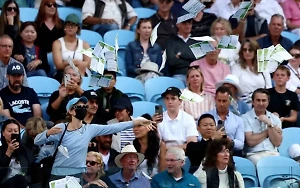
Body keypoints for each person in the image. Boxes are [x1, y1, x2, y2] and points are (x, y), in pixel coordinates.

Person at [34, 96, 154, 179]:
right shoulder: (61, 128)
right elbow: (37, 141)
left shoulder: (89, 129)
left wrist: (136, 122)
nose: (82, 109)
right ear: (70, 111)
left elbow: (115, 128)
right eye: (78, 107)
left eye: (84, 107)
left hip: (77, 176)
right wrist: (48, 133)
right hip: (57, 174)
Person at [242, 88, 282, 165]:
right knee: (261, 164)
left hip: (273, 153)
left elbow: (277, 142)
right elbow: (250, 141)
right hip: (254, 154)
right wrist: (269, 131)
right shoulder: (244, 118)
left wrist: (269, 124)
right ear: (253, 102)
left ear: (268, 102)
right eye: (258, 100)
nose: (261, 103)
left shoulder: (275, 119)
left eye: (263, 100)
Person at [0, 62, 41, 128]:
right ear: (8, 77)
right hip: (15, 129)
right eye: (14, 76)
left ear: (23, 76)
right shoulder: (2, 94)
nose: (16, 79)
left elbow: (37, 114)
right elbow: (8, 118)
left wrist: (33, 129)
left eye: (19, 76)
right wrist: (24, 130)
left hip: (33, 128)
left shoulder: (30, 92)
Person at [206, 86, 245, 156]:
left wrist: (231, 142)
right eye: (219, 100)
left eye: (224, 101)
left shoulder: (238, 120)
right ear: (215, 99)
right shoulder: (206, 117)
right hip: (209, 152)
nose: (221, 104)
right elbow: (199, 138)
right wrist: (212, 138)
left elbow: (241, 143)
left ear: (230, 100)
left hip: (231, 153)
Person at [232, 39, 272, 106]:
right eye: (245, 50)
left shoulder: (263, 66)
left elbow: (269, 87)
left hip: (262, 102)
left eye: (250, 50)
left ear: (255, 52)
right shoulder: (236, 67)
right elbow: (233, 88)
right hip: (243, 103)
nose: (247, 52)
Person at [52, 13, 91, 81]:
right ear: (64, 27)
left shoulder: (85, 44)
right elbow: (59, 66)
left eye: (73, 25)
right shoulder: (57, 43)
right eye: (68, 25)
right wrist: (75, 63)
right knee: (69, 76)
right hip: (63, 73)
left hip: (81, 73)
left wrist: (71, 62)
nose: (70, 27)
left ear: (77, 28)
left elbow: (89, 64)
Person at [0, 119, 34, 188]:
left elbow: (31, 170)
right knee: (19, 178)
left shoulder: (25, 150)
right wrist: (8, 153)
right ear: (3, 133)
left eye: (15, 131)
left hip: (23, 183)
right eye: (9, 131)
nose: (13, 133)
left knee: (21, 179)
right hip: (4, 184)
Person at [166, 17, 197, 83]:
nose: (187, 25)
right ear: (178, 24)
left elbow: (199, 60)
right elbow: (172, 61)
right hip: (178, 74)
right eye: (184, 23)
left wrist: (181, 55)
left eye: (189, 23)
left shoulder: (197, 40)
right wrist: (191, 58)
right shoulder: (171, 42)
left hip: (195, 74)